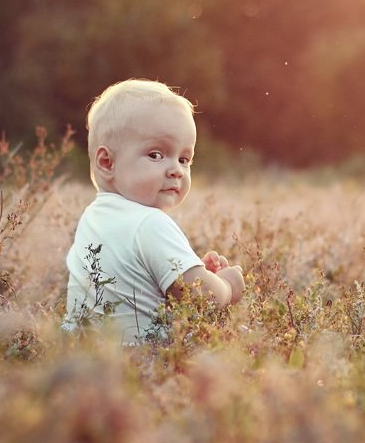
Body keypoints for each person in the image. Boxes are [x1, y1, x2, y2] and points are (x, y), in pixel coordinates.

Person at [63, 79, 245, 343]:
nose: (176, 170)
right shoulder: (150, 223)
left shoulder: (92, 218)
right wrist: (228, 286)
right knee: (239, 341)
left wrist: (187, 271)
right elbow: (200, 296)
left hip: (80, 351)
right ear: (107, 162)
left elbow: (137, 285)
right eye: (156, 155)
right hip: (139, 356)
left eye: (184, 159)